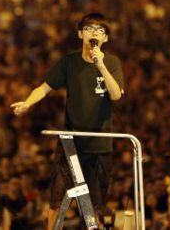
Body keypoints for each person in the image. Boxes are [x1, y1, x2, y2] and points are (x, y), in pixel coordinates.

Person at [11, 13, 124, 230]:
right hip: (71, 143)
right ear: (80, 34)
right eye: (90, 29)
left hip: (100, 144)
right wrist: (27, 103)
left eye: (100, 31)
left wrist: (100, 66)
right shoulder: (68, 62)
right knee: (58, 196)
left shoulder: (111, 62)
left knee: (95, 204)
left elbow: (116, 95)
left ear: (106, 39)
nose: (95, 33)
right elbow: (44, 87)